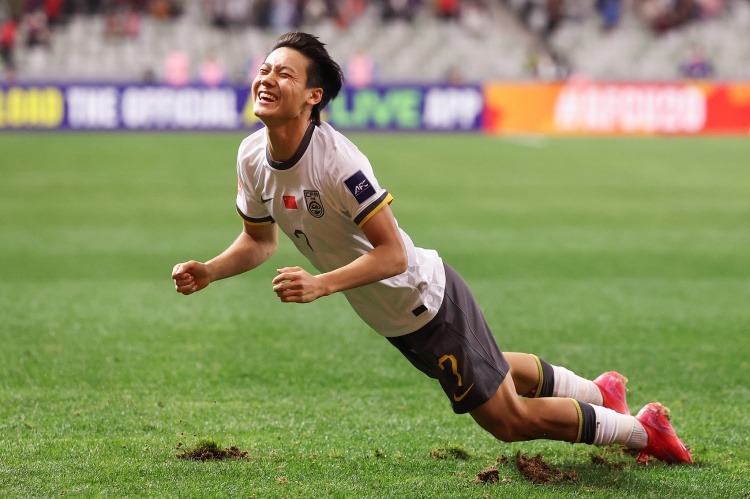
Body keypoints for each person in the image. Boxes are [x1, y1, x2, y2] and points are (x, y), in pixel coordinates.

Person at [172, 32, 693, 465]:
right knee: (492, 367)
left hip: (423, 298)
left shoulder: (337, 163)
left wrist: (321, 285)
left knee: (508, 420)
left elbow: (393, 254)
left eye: (284, 73)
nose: (266, 79)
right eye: (265, 69)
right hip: (392, 317)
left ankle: (640, 431)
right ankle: (600, 394)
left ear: (313, 96)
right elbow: (258, 240)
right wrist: (212, 270)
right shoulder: (251, 156)